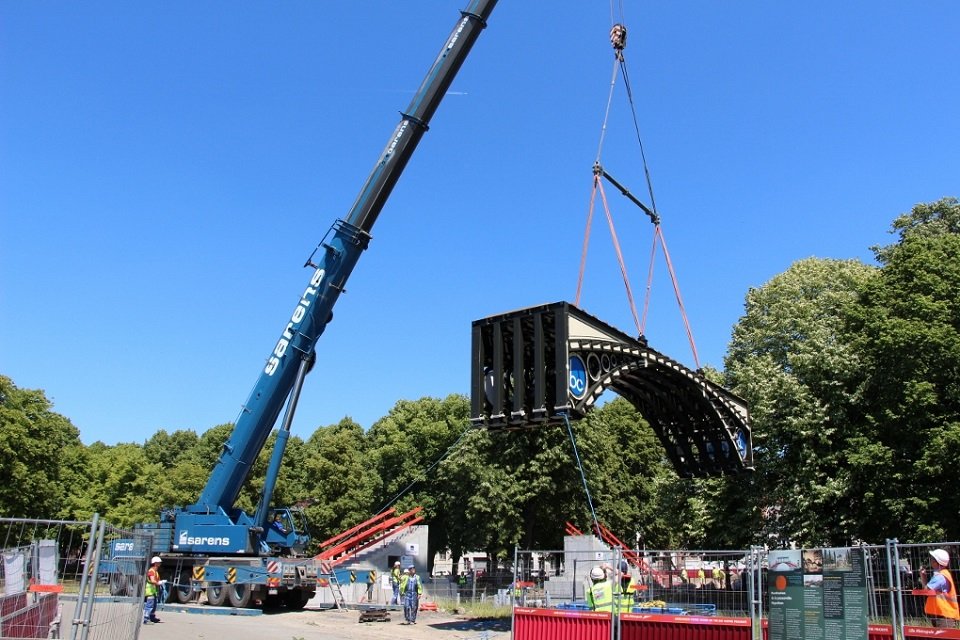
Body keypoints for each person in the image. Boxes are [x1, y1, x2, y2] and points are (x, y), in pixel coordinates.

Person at [920, 548, 959, 628]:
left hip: (944, 616)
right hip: (943, 615)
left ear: (936, 562)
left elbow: (926, 590)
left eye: (931, 559)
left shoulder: (940, 576)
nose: (930, 561)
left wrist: (923, 577)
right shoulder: (944, 574)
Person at [143, 556, 163, 624]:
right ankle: (146, 619)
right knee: (149, 606)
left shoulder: (155, 571)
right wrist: (159, 583)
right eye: (159, 562)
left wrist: (160, 582)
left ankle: (152, 617)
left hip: (154, 591)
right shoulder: (151, 571)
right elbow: (152, 580)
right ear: (155, 563)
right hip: (150, 592)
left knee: (154, 606)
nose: (160, 564)